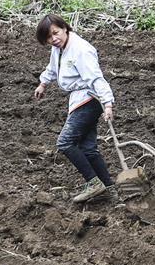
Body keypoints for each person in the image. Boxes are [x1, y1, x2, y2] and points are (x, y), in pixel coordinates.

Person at [33, 14, 117, 204]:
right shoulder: (59, 48)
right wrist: (43, 84)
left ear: (65, 28)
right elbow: (53, 68)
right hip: (80, 99)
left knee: (65, 142)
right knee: (88, 149)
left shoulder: (81, 50)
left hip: (89, 99)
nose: (53, 39)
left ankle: (94, 183)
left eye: (55, 33)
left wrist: (108, 103)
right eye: (48, 37)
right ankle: (110, 191)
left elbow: (96, 78)